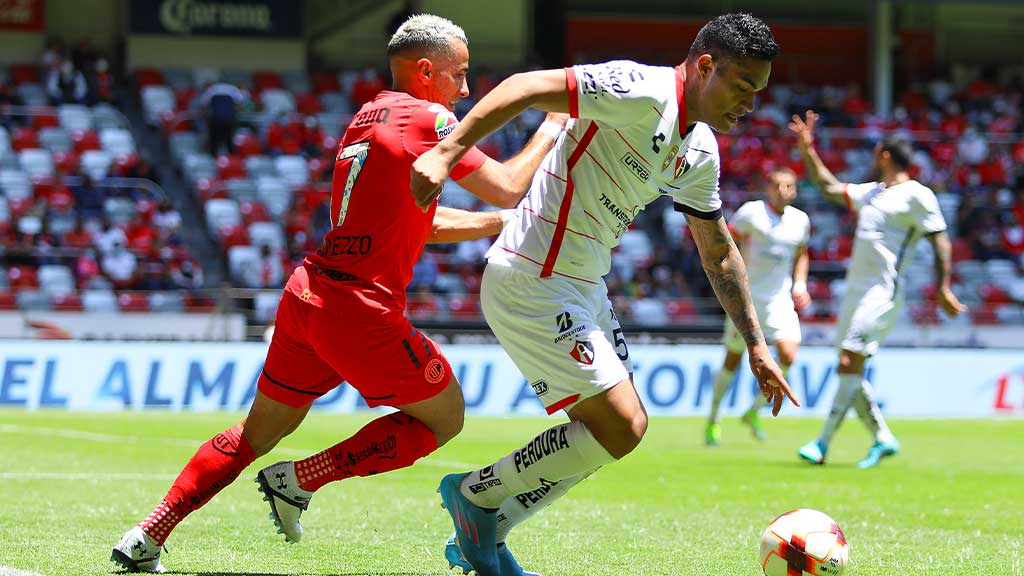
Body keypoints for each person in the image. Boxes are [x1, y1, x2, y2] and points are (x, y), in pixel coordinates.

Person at [111, 14, 567, 573]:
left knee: (256, 433)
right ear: (426, 72)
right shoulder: (429, 117)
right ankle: (298, 480)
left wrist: (497, 223)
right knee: (445, 418)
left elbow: (416, 220)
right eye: (460, 75)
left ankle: (148, 533)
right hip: (360, 309)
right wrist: (552, 125)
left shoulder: (368, 116)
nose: (466, 89)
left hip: (308, 295)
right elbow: (509, 182)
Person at [410, 13, 799, 576]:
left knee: (620, 431)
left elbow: (717, 251)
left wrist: (756, 344)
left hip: (584, 285)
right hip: (532, 276)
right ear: (706, 66)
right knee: (618, 424)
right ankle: (476, 496)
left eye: (758, 93)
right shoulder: (639, 90)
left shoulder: (700, 152)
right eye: (743, 87)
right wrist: (447, 153)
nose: (749, 104)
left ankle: (487, 526)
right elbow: (525, 88)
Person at [789, 110, 967, 469]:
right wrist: (809, 150)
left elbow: (941, 242)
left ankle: (822, 443)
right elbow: (828, 188)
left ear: (885, 155)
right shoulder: (873, 192)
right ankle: (883, 438)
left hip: (882, 293)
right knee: (849, 368)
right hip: (855, 291)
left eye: (876, 152)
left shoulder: (918, 195)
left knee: (847, 359)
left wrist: (943, 286)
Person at [705, 166, 810, 446]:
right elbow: (724, 240)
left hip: (780, 302)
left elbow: (801, 254)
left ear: (795, 191)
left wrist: (800, 283)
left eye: (789, 186)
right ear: (768, 188)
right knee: (732, 360)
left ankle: (753, 411)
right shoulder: (751, 213)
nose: (783, 191)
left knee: (788, 355)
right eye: (778, 186)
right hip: (747, 302)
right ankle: (713, 418)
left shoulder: (800, 221)